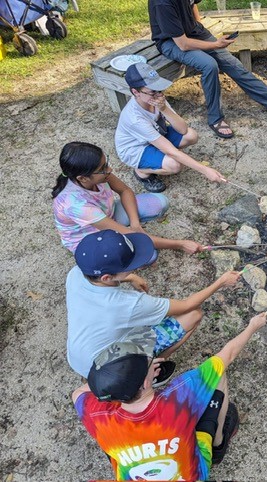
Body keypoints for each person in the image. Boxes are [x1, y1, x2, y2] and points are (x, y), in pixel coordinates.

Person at [72, 311, 267, 480]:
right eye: (149, 361)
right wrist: (253, 326)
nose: (154, 359)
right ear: (147, 381)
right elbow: (228, 355)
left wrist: (115, 380)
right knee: (218, 376)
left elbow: (78, 393)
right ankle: (217, 445)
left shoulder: (97, 417)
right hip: (192, 474)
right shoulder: (180, 396)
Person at [66, 229, 241, 378]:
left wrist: (130, 277)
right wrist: (221, 282)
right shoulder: (130, 304)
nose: (135, 267)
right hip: (108, 370)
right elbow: (187, 305)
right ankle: (152, 368)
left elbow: (106, 282)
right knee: (194, 315)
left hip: (79, 358)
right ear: (107, 277)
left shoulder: (75, 274)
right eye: (130, 266)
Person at [148, 0, 267, 139]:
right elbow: (183, 44)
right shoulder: (163, 3)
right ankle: (215, 118)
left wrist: (197, 26)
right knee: (209, 65)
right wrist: (214, 45)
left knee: (232, 63)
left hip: (192, 33)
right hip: (171, 42)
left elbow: (193, 4)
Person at [52, 142, 202, 254]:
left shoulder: (98, 175)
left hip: (107, 216)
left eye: (106, 164)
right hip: (90, 237)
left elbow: (125, 191)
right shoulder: (76, 205)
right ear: (83, 178)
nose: (109, 170)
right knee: (149, 256)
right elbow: (128, 233)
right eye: (103, 169)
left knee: (159, 203)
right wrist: (180, 244)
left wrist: (135, 224)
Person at [115, 63, 227, 193]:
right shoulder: (134, 118)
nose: (158, 95)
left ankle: (158, 157)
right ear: (135, 92)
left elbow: (183, 130)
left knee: (191, 135)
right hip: (136, 149)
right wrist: (205, 170)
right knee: (174, 165)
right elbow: (171, 151)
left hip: (156, 137)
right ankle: (141, 171)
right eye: (152, 92)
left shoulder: (156, 99)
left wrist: (164, 109)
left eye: (159, 90)